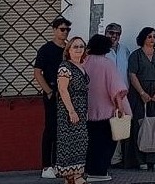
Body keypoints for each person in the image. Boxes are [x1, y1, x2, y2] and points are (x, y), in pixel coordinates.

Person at [84, 34, 130, 182]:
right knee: (107, 143)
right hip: (106, 111)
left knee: (91, 142)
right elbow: (116, 88)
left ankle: (89, 170)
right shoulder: (107, 63)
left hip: (87, 110)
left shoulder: (84, 62)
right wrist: (121, 107)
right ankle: (100, 172)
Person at [33, 16, 71, 180]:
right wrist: (48, 91)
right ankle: (46, 165)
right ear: (54, 30)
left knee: (64, 129)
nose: (65, 32)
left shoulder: (69, 49)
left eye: (67, 30)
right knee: (51, 128)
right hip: (53, 92)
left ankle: (59, 163)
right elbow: (37, 72)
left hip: (68, 93)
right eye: (62, 29)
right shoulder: (46, 49)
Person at [126, 27, 155, 171]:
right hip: (140, 93)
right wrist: (142, 93)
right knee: (140, 124)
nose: (152, 39)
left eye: (154, 37)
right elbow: (132, 75)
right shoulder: (135, 55)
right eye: (149, 36)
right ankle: (141, 159)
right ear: (143, 38)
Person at [54, 37, 89, 184]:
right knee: (70, 141)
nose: (79, 49)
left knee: (81, 141)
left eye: (81, 46)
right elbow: (63, 89)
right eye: (75, 46)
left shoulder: (81, 65)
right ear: (68, 49)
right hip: (70, 109)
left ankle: (75, 175)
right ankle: (74, 176)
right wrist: (71, 111)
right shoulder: (65, 67)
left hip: (81, 107)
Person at [104, 22, 130, 167]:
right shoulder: (101, 50)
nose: (114, 36)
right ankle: (105, 158)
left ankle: (116, 159)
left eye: (117, 33)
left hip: (123, 95)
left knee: (119, 126)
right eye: (111, 32)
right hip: (105, 95)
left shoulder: (124, 50)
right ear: (105, 33)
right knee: (105, 127)